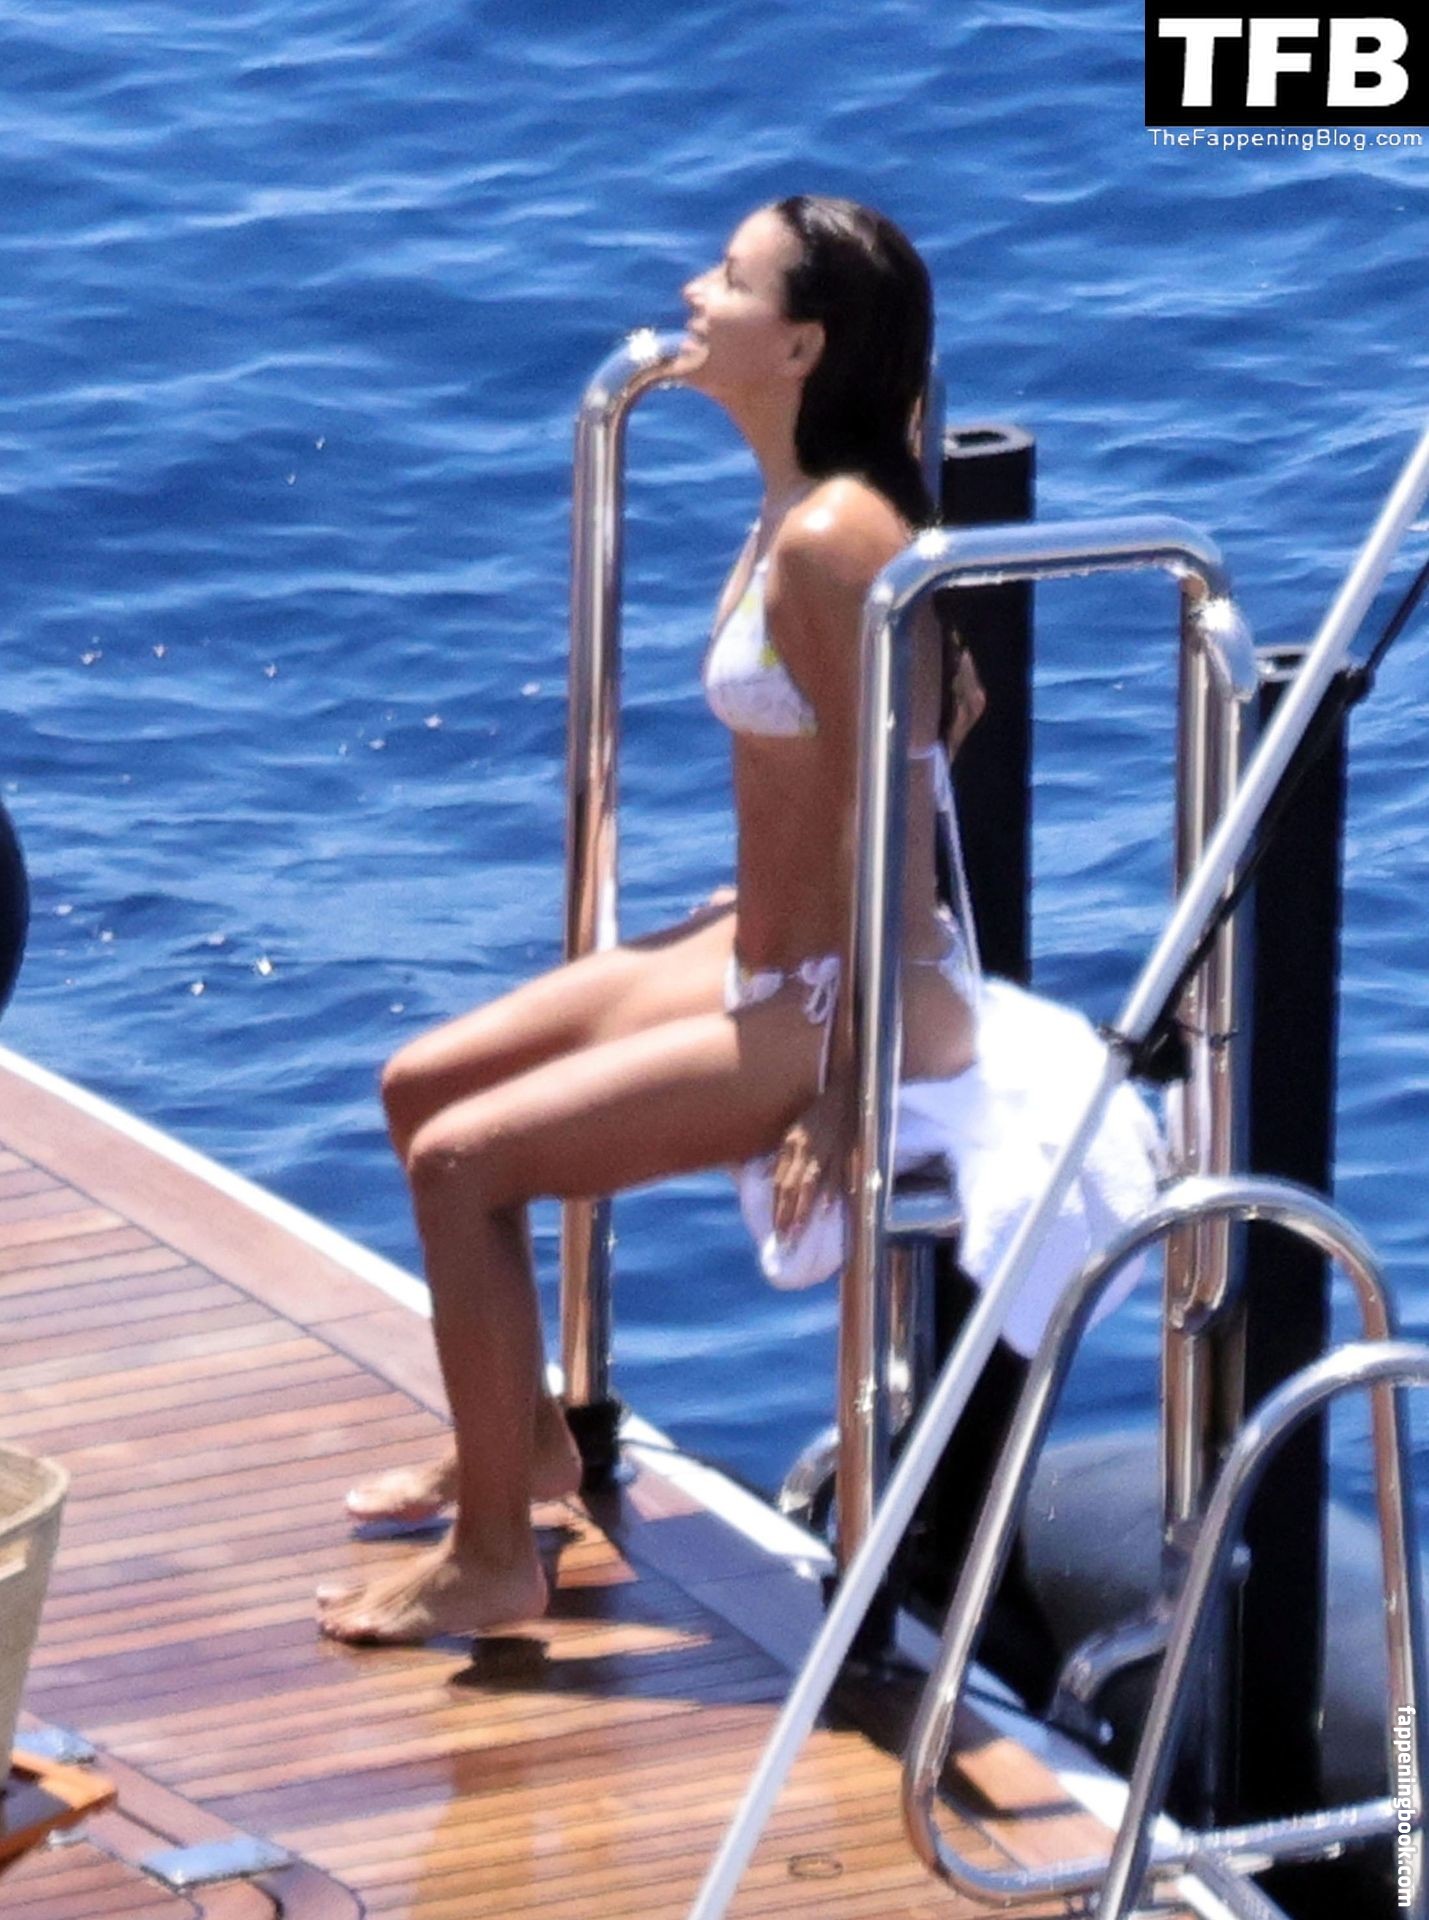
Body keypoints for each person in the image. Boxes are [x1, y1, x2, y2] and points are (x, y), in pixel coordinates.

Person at [316, 195, 983, 1643]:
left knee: (459, 1165)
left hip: (836, 998)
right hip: (766, 950)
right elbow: (931, 721)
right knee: (419, 1083)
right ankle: (522, 1451)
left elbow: (900, 821)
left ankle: (496, 1558)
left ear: (799, 346)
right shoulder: (799, 506)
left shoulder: (829, 539)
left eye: (730, 281)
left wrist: (845, 1087)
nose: (693, 292)